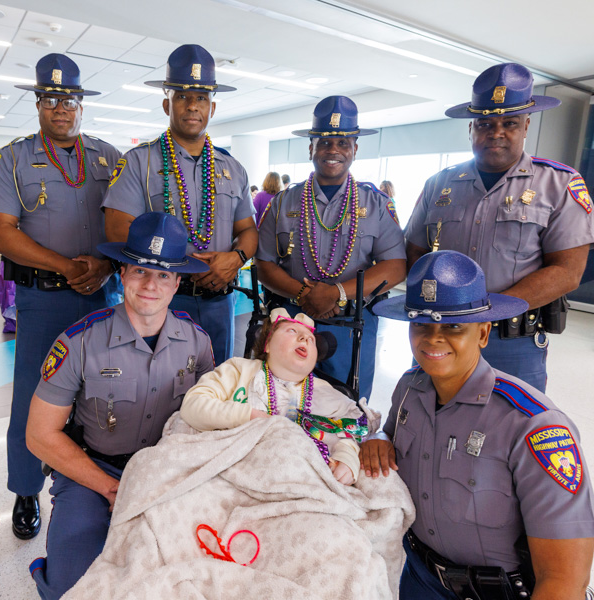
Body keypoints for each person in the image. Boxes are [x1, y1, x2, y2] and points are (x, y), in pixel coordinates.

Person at [361, 250, 594, 600]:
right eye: (421, 323)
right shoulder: (411, 387)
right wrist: (378, 437)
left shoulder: (534, 426)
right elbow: (392, 439)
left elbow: (564, 579)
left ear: (484, 333)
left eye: (454, 325)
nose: (433, 337)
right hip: (419, 577)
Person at [25, 212, 215, 599]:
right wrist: (113, 489)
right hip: (94, 472)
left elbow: (208, 424)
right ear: (123, 273)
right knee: (71, 585)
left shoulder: (198, 343)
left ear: (178, 281)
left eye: (164, 275)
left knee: (190, 578)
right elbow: (39, 436)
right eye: (141, 270)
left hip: (168, 474)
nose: (150, 284)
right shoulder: (79, 342)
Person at [0, 53, 122, 540]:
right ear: (39, 102)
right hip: (44, 300)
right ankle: (24, 491)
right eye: (51, 98)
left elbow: (123, 226)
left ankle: (90, 485)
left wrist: (104, 265)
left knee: (100, 393)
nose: (61, 107)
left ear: (82, 105)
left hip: (102, 296)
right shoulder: (13, 159)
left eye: (70, 99)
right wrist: (65, 266)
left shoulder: (109, 157)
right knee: (33, 399)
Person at [404, 62, 594, 392]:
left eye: (509, 123)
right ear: (471, 129)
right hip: (441, 336)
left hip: (512, 343)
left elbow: (567, 271)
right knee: (425, 423)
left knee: (509, 433)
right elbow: (415, 254)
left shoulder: (559, 183)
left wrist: (484, 314)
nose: (497, 132)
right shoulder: (440, 183)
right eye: (485, 123)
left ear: (526, 126)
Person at [103, 43, 257, 366]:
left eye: (201, 97)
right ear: (166, 103)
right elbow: (118, 233)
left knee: (215, 395)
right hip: (160, 302)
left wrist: (236, 257)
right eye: (182, 96)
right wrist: (179, 266)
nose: (192, 106)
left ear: (212, 108)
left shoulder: (233, 169)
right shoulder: (139, 163)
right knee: (156, 400)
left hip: (218, 304)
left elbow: (248, 231)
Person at [256, 96, 406, 401]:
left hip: (351, 328)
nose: (333, 150)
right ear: (311, 147)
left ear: (355, 148)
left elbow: (395, 266)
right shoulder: (283, 202)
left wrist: (336, 293)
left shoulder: (375, 204)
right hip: (292, 321)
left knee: (345, 412)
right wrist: (304, 294)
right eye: (324, 142)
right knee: (282, 407)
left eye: (343, 141)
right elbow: (264, 265)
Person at [181, 308, 371, 485]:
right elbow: (193, 405)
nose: (305, 337)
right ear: (268, 344)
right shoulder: (238, 371)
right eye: (291, 331)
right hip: (234, 471)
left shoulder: (327, 394)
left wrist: (346, 458)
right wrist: (249, 416)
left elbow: (346, 433)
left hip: (297, 480)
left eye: (311, 340)